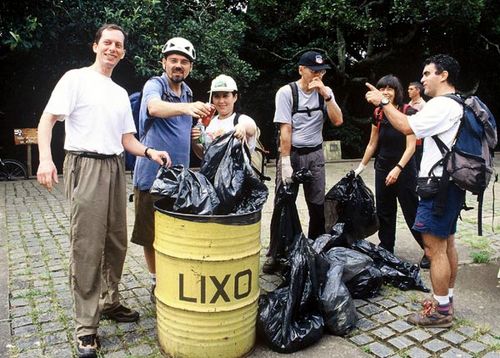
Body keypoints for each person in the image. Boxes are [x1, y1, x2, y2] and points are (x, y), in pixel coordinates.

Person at [36, 24, 171, 357]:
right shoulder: (75, 79)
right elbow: (47, 120)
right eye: (107, 43)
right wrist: (45, 159)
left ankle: (110, 302)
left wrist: (150, 152)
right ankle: (86, 327)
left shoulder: (119, 93)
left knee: (115, 241)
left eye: (119, 45)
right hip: (84, 163)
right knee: (87, 244)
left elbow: (127, 140)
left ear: (123, 53)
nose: (113, 48)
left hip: (114, 167)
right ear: (95, 46)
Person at [365, 54, 465, 328]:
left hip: (437, 186)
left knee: (434, 250)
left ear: (443, 75)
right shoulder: (458, 103)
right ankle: (445, 300)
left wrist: (383, 102)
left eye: (427, 73)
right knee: (447, 245)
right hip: (452, 183)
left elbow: (406, 126)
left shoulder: (441, 105)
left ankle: (441, 312)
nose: (421, 80)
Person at [131, 37, 212, 304]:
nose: (178, 65)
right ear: (164, 62)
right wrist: (186, 108)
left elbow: (191, 142)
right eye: (173, 60)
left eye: (184, 62)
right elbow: (154, 107)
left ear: (190, 67)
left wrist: (198, 137)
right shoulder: (154, 85)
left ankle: (174, 277)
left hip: (181, 180)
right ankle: (156, 282)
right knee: (150, 234)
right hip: (151, 177)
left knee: (177, 233)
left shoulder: (188, 92)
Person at [263, 50, 343, 273]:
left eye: (321, 71)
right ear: (301, 70)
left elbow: (338, 121)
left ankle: (315, 249)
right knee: (282, 203)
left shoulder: (325, 93)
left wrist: (327, 96)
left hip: (315, 154)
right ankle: (275, 253)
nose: (317, 75)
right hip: (293, 153)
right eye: (313, 71)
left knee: (317, 205)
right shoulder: (286, 93)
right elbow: (285, 130)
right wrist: (286, 162)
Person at [354, 75, 429, 269]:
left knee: (411, 210)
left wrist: (398, 168)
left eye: (390, 88)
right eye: (382, 88)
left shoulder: (408, 111)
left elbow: (411, 146)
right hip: (382, 167)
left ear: (397, 91)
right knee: (385, 211)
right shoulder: (378, 113)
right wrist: (359, 168)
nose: (386, 91)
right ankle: (386, 248)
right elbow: (372, 144)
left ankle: (428, 250)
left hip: (404, 169)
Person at [191, 74, 257, 158]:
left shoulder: (241, 119)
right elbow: (203, 155)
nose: (221, 101)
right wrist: (195, 141)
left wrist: (242, 127)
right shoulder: (207, 123)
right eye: (217, 96)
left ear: (235, 97)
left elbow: (251, 128)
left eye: (225, 96)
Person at [408, 81, 426, 170]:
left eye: (411, 89)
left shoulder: (423, 105)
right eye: (408, 89)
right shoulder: (409, 104)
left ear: (418, 90)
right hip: (408, 137)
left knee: (417, 164)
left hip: (418, 140)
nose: (408, 91)